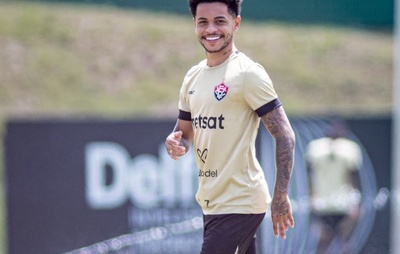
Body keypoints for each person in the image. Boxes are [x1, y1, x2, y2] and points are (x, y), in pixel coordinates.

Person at [165, 0, 296, 253]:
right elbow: (183, 133)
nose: (210, 29)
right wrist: (174, 143)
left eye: (220, 21)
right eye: (203, 22)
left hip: (240, 202)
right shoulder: (192, 76)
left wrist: (280, 196)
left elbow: (285, 136)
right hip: (212, 202)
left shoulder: (248, 73)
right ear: (194, 24)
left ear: (236, 23)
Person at [306, 121, 362, 254]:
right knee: (343, 241)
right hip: (341, 203)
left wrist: (311, 195)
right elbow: (353, 177)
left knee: (325, 241)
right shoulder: (350, 149)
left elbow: (309, 173)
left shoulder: (315, 148)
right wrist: (355, 203)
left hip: (322, 203)